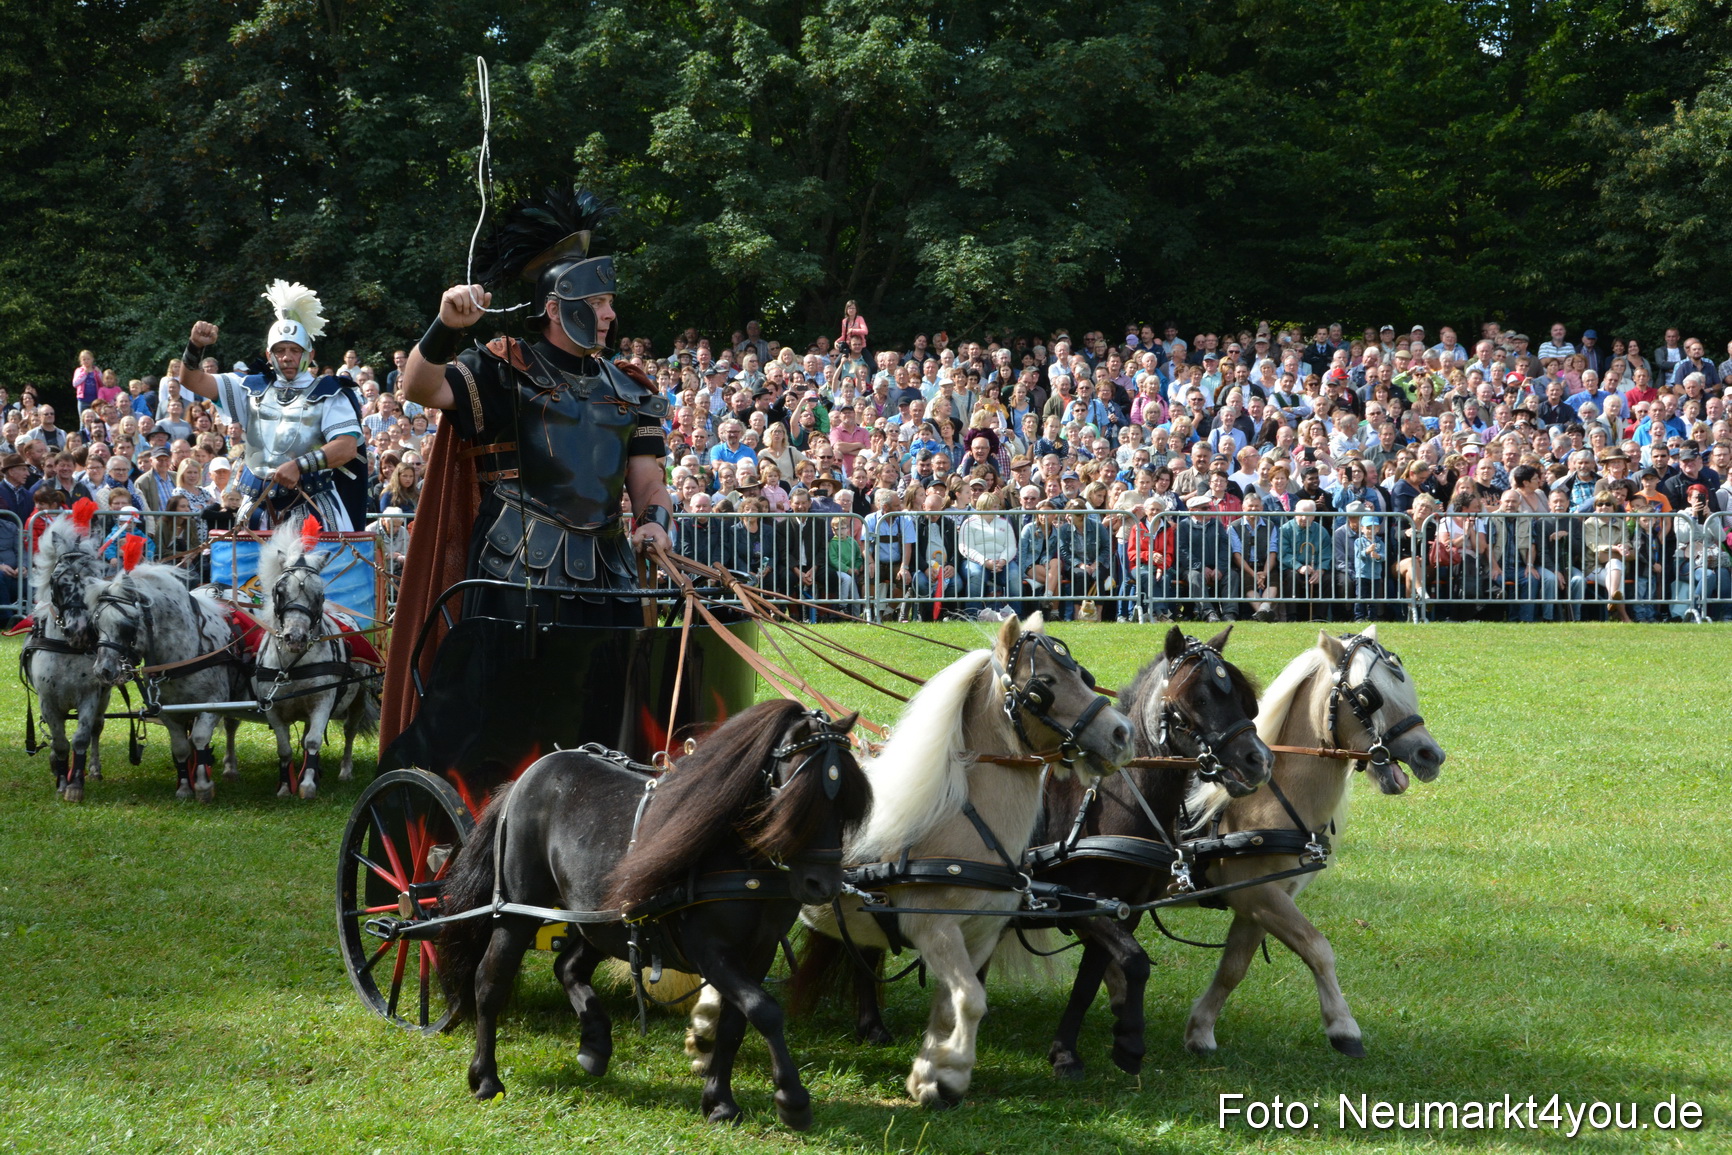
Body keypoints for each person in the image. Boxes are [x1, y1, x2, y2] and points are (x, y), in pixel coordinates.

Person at [393, 188, 672, 627]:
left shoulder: (630, 387)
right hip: (514, 570)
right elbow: (419, 388)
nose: (609, 315)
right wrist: (445, 326)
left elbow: (649, 482)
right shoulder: (504, 368)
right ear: (556, 309)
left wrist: (654, 522)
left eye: (610, 303)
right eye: (597, 303)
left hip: (610, 573)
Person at [178, 281, 363, 530]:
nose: (287, 357)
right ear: (269, 355)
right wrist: (195, 346)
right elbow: (192, 380)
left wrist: (299, 465)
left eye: (295, 350)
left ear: (310, 355)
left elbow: (347, 447)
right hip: (256, 504)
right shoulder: (249, 387)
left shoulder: (329, 392)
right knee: (245, 557)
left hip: (313, 505)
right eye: (280, 350)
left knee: (320, 557)